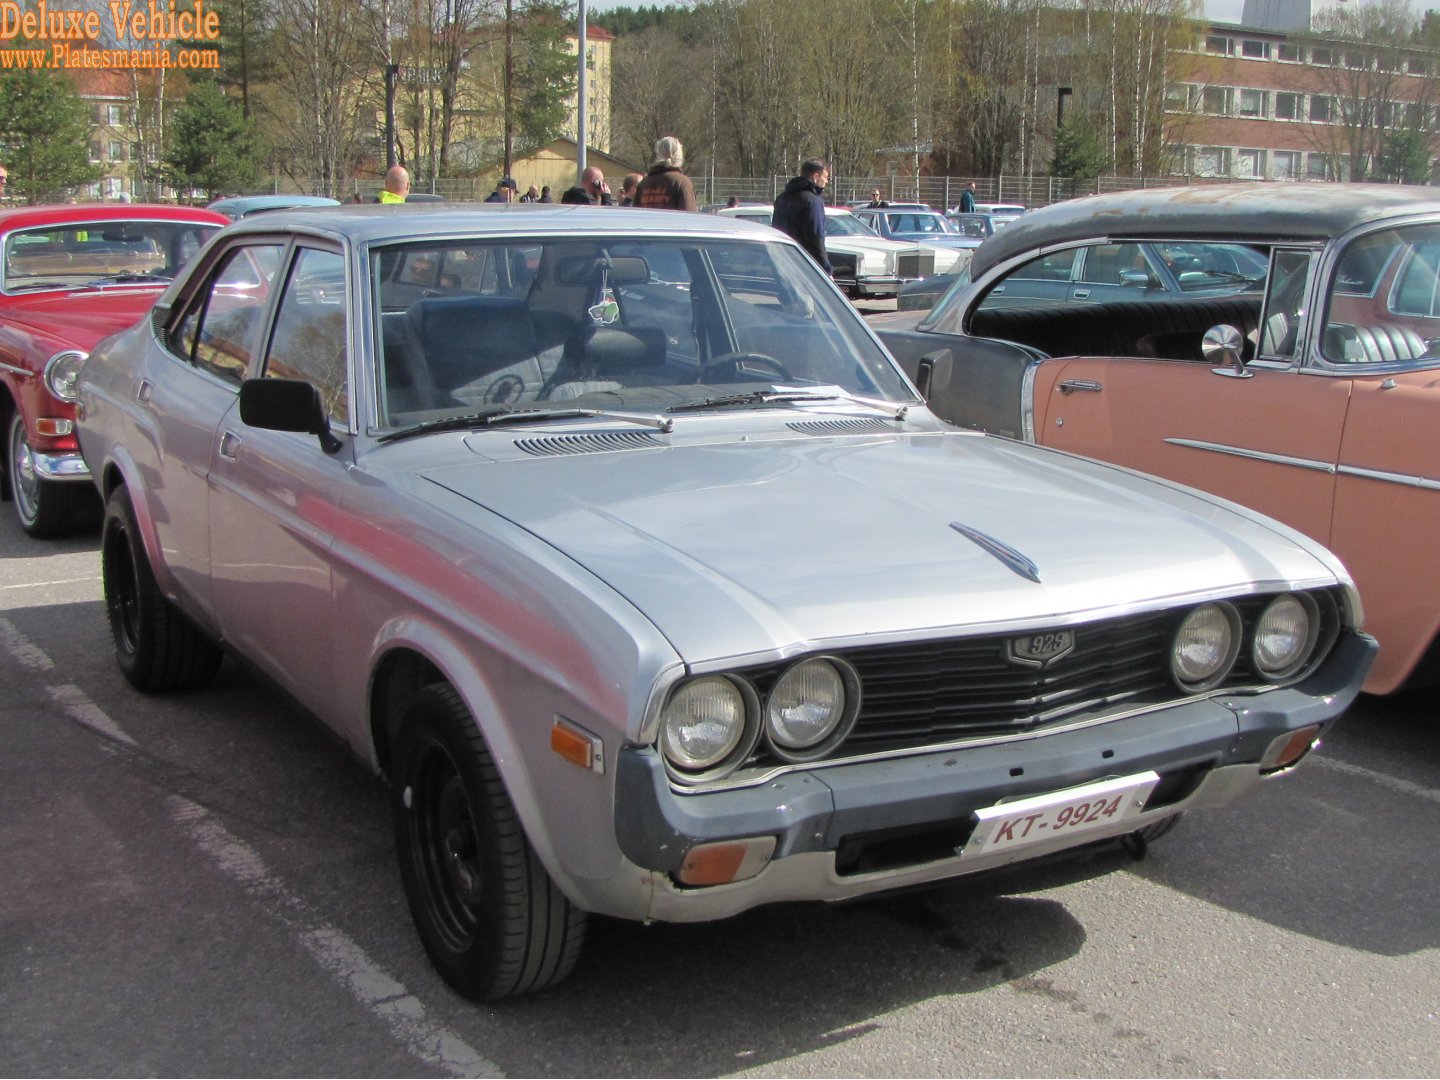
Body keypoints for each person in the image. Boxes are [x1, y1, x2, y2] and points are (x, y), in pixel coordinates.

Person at [772, 158, 830, 273]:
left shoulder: (782, 198)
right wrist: (826, 269)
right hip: (804, 266)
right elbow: (816, 237)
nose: (827, 181)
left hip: (781, 261)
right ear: (816, 176)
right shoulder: (812, 201)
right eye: (826, 177)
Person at [633, 136, 697, 211]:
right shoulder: (682, 182)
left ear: (658, 154)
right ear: (679, 155)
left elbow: (635, 218)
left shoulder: (642, 185)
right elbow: (689, 218)